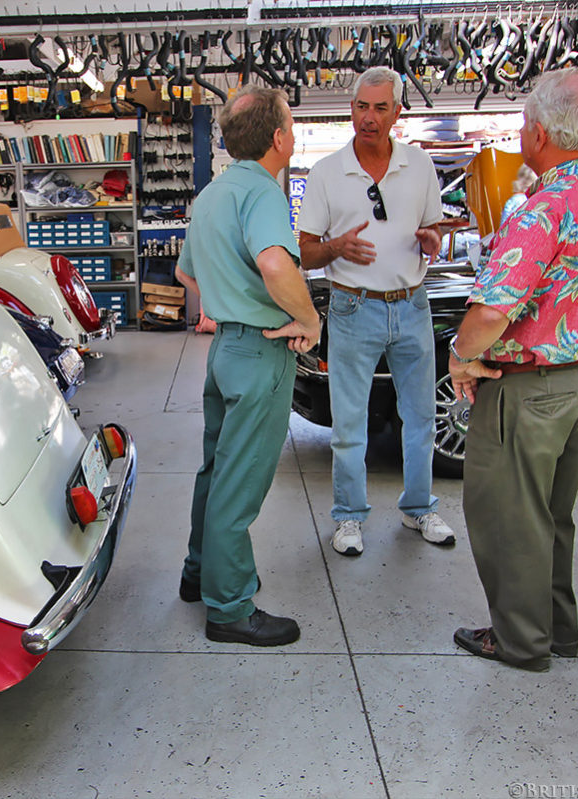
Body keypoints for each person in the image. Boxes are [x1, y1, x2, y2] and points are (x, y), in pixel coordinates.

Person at [447, 66, 578, 672]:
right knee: (553, 515)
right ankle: (558, 630)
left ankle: (520, 640)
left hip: (531, 393)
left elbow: (490, 313)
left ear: (537, 132)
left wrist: (461, 355)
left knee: (508, 514)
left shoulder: (542, 209)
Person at [174, 85, 321, 647]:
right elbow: (274, 261)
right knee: (241, 480)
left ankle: (198, 574)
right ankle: (230, 607)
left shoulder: (212, 194)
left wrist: (224, 300)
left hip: (222, 353)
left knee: (215, 469)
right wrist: (309, 320)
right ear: (280, 137)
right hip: (260, 350)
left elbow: (188, 275)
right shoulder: (263, 192)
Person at [296, 66, 455, 557]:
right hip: (352, 308)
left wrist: (433, 238)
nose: (369, 117)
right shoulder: (326, 173)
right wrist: (336, 247)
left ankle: (418, 506)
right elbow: (304, 252)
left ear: (396, 113)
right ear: (350, 110)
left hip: (412, 305)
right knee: (349, 423)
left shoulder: (420, 166)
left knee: (421, 416)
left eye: (380, 108)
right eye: (361, 107)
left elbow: (433, 229)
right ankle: (348, 516)